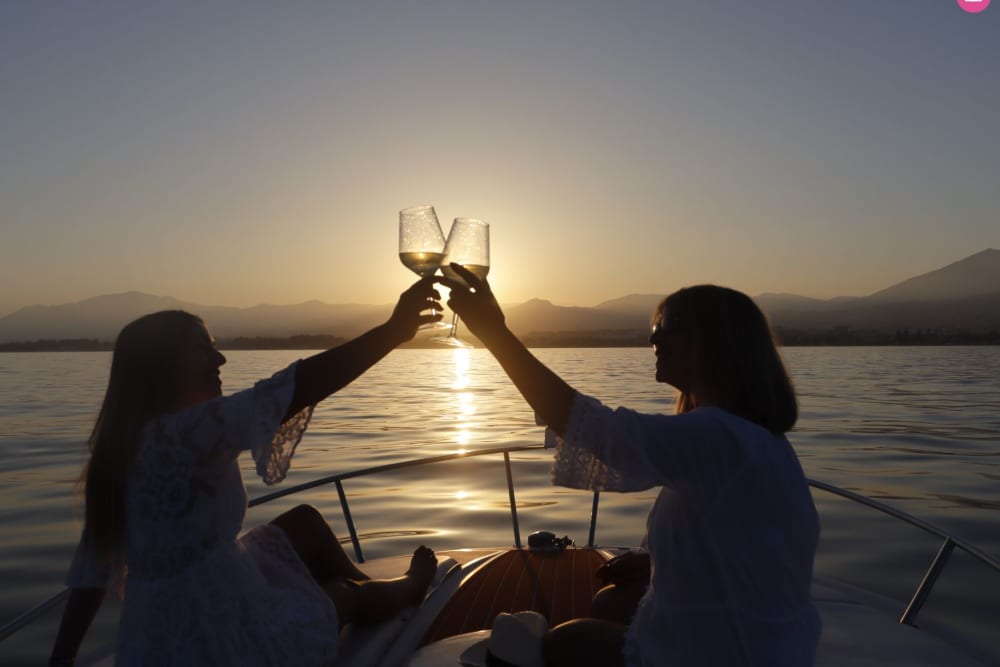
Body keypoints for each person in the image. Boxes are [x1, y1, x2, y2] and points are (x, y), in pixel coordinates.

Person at [50, 278, 444, 666]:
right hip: (217, 636)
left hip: (152, 638)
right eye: (204, 350)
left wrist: (62, 658)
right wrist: (394, 331)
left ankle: (369, 588)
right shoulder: (187, 433)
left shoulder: (118, 450)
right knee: (341, 596)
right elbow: (299, 386)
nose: (221, 360)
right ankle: (410, 587)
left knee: (304, 522)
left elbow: (91, 573)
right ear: (165, 366)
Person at [440, 265, 821, 667]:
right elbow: (741, 543)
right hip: (775, 642)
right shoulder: (753, 439)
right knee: (611, 602)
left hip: (733, 653)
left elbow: (595, 428)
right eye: (654, 324)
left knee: (559, 643)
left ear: (717, 342)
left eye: (667, 325)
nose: (653, 336)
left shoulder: (719, 436)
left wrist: (493, 332)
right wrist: (655, 561)